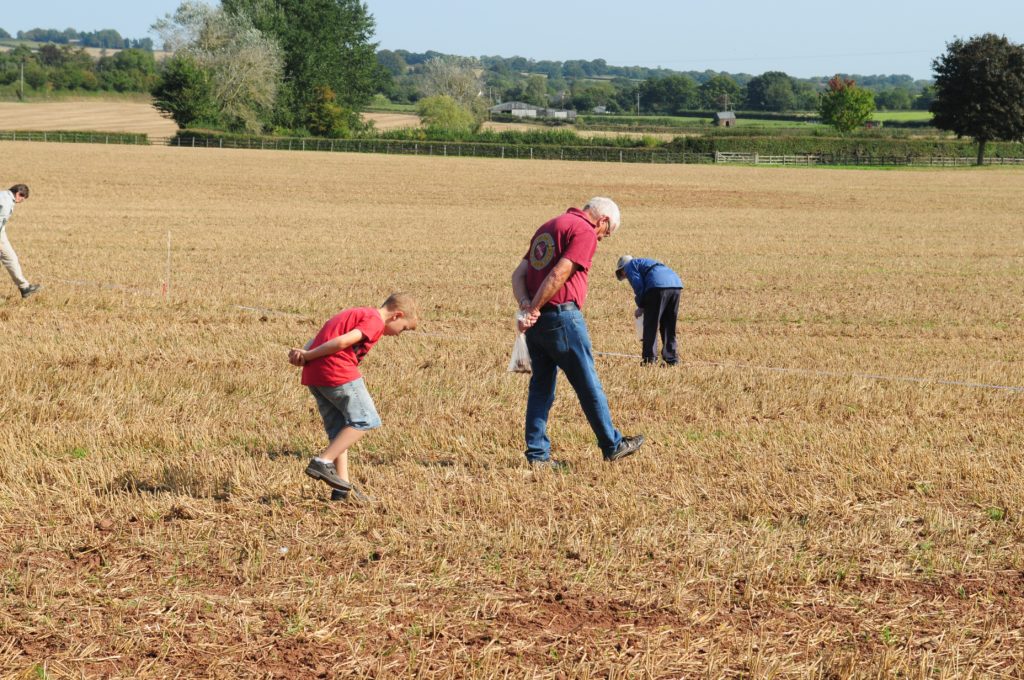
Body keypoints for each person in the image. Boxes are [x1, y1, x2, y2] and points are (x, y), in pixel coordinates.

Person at [511, 197, 644, 469]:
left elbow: (518, 274)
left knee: (540, 389)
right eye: (606, 234)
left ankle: (537, 456)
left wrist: (527, 307)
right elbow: (560, 273)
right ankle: (612, 444)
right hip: (562, 318)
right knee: (587, 383)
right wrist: (535, 306)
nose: (602, 239)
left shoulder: (548, 227)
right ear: (603, 221)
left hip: (537, 326)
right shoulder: (583, 230)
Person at [289, 293, 418, 501]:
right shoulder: (375, 320)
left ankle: (342, 489)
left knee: (340, 432)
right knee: (366, 419)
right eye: (404, 328)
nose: (399, 334)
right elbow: (342, 342)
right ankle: (323, 462)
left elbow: (323, 335)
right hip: (337, 372)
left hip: (315, 376)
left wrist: (305, 354)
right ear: (397, 315)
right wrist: (309, 355)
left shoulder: (356, 312)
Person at [615, 255, 683, 366]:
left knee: (650, 324)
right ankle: (672, 359)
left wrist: (641, 305)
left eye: (621, 273)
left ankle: (649, 359)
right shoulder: (645, 262)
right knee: (668, 325)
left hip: (657, 286)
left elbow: (638, 285)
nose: (625, 276)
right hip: (675, 284)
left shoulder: (630, 265)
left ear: (622, 269)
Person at [0, 184, 42, 299]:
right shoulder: (6, 202)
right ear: (19, 194)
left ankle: (25, 288)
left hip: (1, 233)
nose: (22, 201)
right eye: (24, 198)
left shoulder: (4, 195)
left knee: (11, 258)